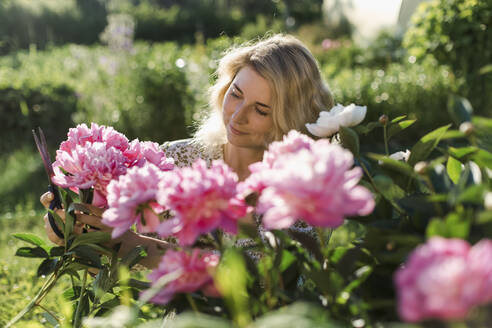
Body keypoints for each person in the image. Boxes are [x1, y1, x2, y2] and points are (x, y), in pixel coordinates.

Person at [40, 33, 334, 268]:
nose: (236, 115)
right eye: (236, 94)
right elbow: (112, 264)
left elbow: (259, 283)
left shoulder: (303, 194)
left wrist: (132, 245)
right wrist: (80, 232)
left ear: (289, 120)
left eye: (260, 110)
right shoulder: (177, 159)